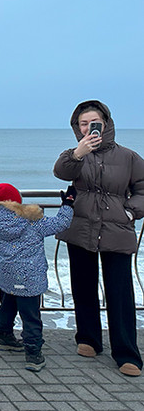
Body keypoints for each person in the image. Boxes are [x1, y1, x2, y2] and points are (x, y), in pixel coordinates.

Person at [53, 100, 144, 377]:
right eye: (82, 123)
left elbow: (142, 189)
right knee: (83, 286)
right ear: (77, 127)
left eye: (93, 122)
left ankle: (127, 353)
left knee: (120, 291)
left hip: (116, 229)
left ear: (105, 124)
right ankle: (88, 339)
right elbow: (60, 172)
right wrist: (78, 154)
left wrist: (130, 212)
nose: (88, 127)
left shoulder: (128, 157)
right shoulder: (75, 154)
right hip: (81, 228)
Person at [0, 182, 75, 372]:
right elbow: (61, 223)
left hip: (6, 276)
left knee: (7, 306)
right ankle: (33, 354)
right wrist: (68, 204)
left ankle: (4, 337)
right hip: (30, 278)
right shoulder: (33, 221)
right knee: (31, 316)